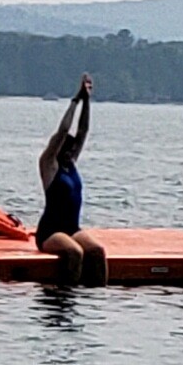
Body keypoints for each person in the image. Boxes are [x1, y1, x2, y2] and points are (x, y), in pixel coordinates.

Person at [35, 73, 107, 286]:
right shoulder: (49, 165)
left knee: (97, 251)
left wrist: (87, 100)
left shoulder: (71, 163)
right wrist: (75, 100)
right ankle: (67, 295)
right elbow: (64, 130)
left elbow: (83, 130)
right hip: (50, 233)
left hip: (72, 228)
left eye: (73, 149)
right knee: (75, 252)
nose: (72, 152)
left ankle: (96, 296)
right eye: (67, 149)